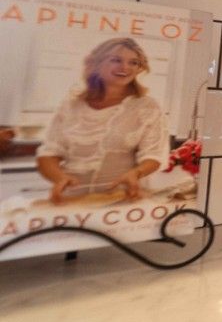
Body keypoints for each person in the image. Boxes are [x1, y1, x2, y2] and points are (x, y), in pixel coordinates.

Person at [37, 38, 168, 204]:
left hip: (122, 198)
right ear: (96, 63)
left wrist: (136, 173)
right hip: (70, 199)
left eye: (133, 62)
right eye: (116, 60)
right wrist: (60, 178)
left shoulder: (146, 106)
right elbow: (49, 154)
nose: (125, 67)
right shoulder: (71, 105)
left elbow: (153, 155)